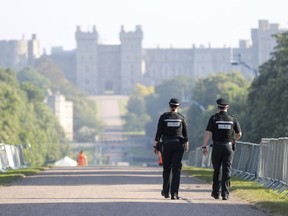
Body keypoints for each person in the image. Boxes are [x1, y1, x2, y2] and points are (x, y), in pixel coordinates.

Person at [202, 98, 242, 200]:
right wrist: (233, 140)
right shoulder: (232, 119)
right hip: (228, 147)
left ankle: (216, 193)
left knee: (217, 170)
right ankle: (225, 194)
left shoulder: (214, 118)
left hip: (217, 147)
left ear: (218, 107)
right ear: (227, 107)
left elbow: (208, 133)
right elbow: (239, 134)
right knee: (227, 170)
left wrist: (204, 145)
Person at [154, 98, 189, 200]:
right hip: (179, 146)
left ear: (170, 105)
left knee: (167, 169)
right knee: (176, 170)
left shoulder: (163, 117)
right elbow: (186, 135)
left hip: (167, 145)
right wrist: (186, 146)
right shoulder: (181, 118)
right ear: (178, 106)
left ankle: (166, 192)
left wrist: (156, 145)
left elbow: (158, 133)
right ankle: (174, 193)